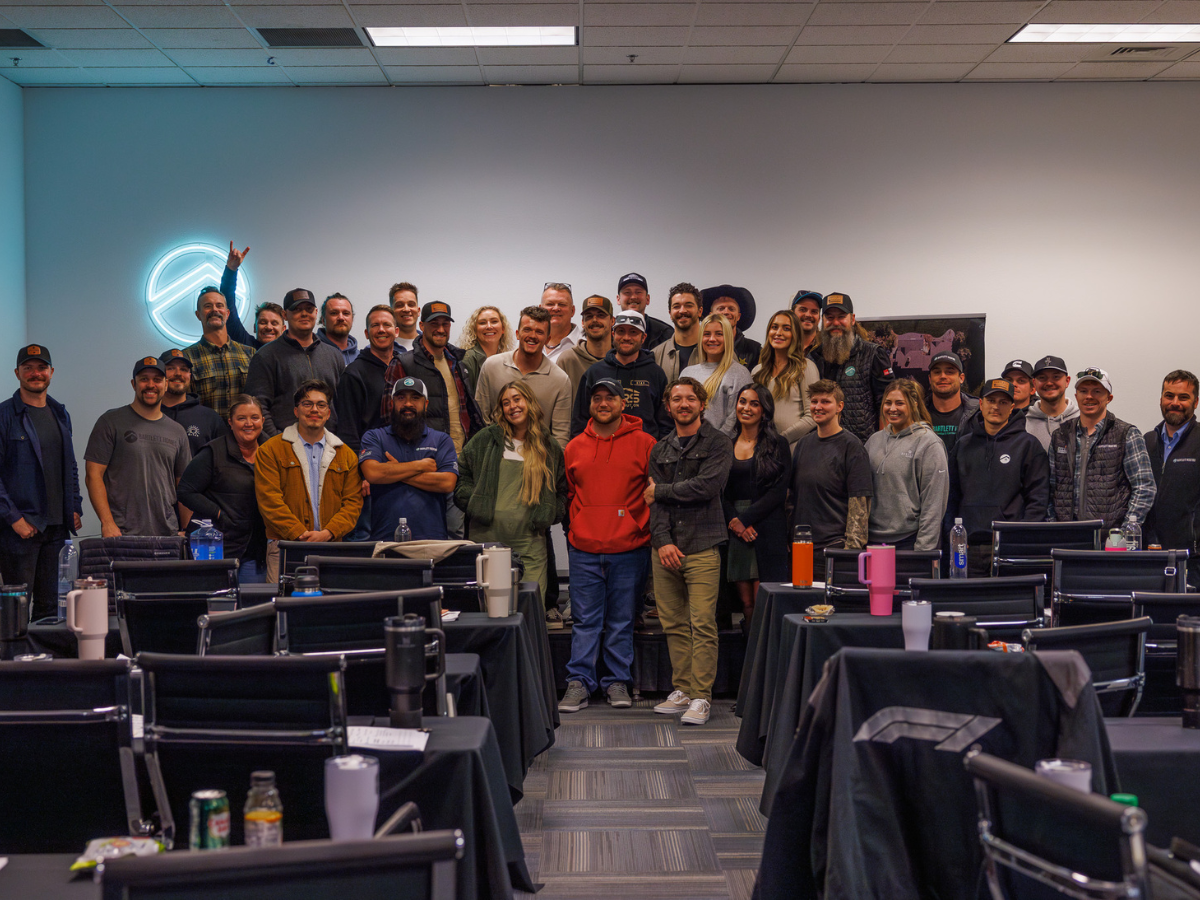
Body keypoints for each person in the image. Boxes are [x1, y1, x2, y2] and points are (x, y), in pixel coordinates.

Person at [558, 378, 655, 713]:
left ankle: (616, 681)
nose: (603, 403)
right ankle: (578, 683)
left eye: (609, 398)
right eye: (596, 398)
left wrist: (637, 524)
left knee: (621, 620)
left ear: (621, 403)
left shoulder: (645, 443)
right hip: (584, 549)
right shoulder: (574, 447)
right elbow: (570, 494)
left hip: (629, 547)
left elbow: (653, 492)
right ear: (589, 405)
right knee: (585, 621)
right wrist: (579, 528)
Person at [645, 377, 733, 727]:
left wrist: (662, 491)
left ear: (702, 403)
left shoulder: (718, 442)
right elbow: (654, 505)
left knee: (702, 624)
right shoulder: (660, 448)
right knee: (674, 624)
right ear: (668, 407)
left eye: (690, 399)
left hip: (702, 546)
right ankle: (681, 689)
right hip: (666, 548)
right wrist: (663, 541)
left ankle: (701, 697)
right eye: (677, 399)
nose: (683, 404)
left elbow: (707, 487)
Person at [456, 380, 565, 598]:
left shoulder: (548, 446)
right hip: (487, 541)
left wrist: (551, 512)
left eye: (517, 399)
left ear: (529, 401)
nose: (512, 406)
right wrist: (474, 503)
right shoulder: (486, 440)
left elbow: (561, 490)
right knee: (488, 610)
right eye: (506, 403)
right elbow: (462, 474)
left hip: (529, 544)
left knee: (530, 608)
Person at [0, 344, 82, 620]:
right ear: (17, 373)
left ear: (51, 372)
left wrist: (75, 506)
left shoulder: (60, 413)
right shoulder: (4, 416)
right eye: (28, 368)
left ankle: (44, 663)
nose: (36, 373)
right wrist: (13, 518)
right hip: (20, 530)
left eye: (41, 368)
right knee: (16, 608)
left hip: (58, 529)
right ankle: (13, 663)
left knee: (52, 610)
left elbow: (70, 466)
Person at [254, 380, 362, 583]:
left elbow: (353, 504)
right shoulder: (270, 450)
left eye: (321, 405)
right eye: (307, 404)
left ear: (328, 413)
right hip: (284, 548)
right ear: (296, 411)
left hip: (331, 547)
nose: (315, 409)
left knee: (330, 609)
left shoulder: (346, 455)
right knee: (283, 609)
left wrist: (328, 533)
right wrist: (300, 535)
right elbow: (269, 500)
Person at [945, 378, 1049, 576]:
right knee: (968, 604)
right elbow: (951, 497)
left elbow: (1038, 500)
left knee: (1008, 605)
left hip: (1010, 548)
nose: (996, 407)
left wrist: (1020, 540)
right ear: (981, 404)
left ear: (1011, 408)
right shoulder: (963, 445)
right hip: (966, 548)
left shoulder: (1028, 446)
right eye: (991, 401)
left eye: (1003, 402)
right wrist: (953, 538)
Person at [84, 357, 191, 537]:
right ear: (134, 384)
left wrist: (188, 531)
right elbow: (93, 475)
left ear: (166, 385)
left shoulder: (177, 431)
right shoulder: (110, 421)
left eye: (157, 380)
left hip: (167, 534)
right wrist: (107, 523)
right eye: (144, 379)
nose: (151, 385)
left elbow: (185, 486)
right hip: (122, 533)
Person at [1049, 367, 1157, 532]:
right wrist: (1052, 526)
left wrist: (1126, 532)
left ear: (1109, 398)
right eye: (1083, 391)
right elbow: (1049, 488)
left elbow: (1144, 487)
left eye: (1097, 391)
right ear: (1076, 396)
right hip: (1066, 537)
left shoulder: (1127, 434)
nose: (1089, 396)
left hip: (1110, 540)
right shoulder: (1060, 436)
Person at [177, 395, 268, 583]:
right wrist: (218, 513)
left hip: (255, 551)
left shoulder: (272, 452)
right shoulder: (213, 452)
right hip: (215, 546)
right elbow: (185, 491)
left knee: (252, 609)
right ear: (230, 422)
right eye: (241, 418)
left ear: (263, 421)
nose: (248, 423)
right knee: (218, 607)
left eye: (254, 417)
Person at [723, 384, 791, 623]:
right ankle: (748, 658)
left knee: (764, 601)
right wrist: (734, 522)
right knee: (746, 604)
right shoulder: (725, 445)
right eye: (743, 401)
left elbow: (778, 491)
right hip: (735, 529)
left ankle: (766, 659)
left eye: (754, 403)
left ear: (764, 410)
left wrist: (745, 520)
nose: (747, 408)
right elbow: (720, 491)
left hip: (767, 525)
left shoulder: (777, 444)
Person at [360, 376, 458, 541]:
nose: (407, 404)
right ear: (392, 404)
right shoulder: (374, 437)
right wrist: (420, 466)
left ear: (426, 405)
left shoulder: (441, 440)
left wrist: (394, 471)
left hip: (432, 540)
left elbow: (447, 483)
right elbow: (373, 473)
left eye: (415, 398)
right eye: (401, 398)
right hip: (384, 539)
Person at [789, 379, 873, 569]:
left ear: (839, 406)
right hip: (802, 546)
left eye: (825, 401)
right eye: (814, 401)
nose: (818, 407)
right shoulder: (802, 444)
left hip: (835, 549)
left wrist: (850, 551)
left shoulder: (852, 447)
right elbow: (792, 497)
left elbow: (860, 504)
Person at [244, 289, 345, 437]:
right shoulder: (266, 356)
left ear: (316, 312)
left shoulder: (334, 355)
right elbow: (257, 407)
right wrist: (278, 441)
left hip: (329, 446)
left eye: (309, 309)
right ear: (285, 315)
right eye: (297, 309)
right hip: (285, 448)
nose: (304, 314)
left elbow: (344, 405)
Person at [865, 378, 948, 551]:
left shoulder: (929, 443)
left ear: (914, 404)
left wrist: (923, 550)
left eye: (899, 403)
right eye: (888, 403)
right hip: (872, 541)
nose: (892, 408)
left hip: (908, 542)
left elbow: (934, 503)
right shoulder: (874, 441)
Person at [474, 306, 572, 448]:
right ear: (517, 334)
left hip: (537, 460)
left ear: (547, 339)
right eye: (527, 330)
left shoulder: (560, 380)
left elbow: (560, 437)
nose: (532, 336)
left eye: (539, 332)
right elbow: (480, 419)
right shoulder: (491, 366)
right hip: (495, 455)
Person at [570, 310, 672, 440]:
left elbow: (666, 424)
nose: (626, 337)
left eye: (633, 332)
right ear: (613, 334)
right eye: (621, 331)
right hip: (602, 449)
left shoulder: (656, 373)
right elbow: (580, 421)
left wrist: (658, 454)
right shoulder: (594, 372)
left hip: (645, 453)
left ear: (643, 338)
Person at [1145, 370, 1200, 584]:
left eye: (1183, 397)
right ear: (1161, 399)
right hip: (1151, 555)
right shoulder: (1147, 441)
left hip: (1193, 560)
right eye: (1169, 396)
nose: (1175, 402)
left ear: (1195, 402)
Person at [817, 292, 893, 444]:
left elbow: (887, 403)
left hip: (864, 447)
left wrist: (883, 446)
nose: (835, 323)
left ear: (852, 319)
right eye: (830, 317)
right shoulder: (814, 357)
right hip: (824, 447)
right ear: (822, 321)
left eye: (841, 317)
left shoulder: (873, 354)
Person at [183, 281, 257, 419]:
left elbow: (258, 400)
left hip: (245, 435)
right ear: (198, 314)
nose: (214, 310)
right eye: (207, 306)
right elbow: (186, 407)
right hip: (208, 438)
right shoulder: (187, 358)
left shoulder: (250, 354)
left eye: (219, 305)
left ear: (227, 313)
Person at [334, 305, 401, 455]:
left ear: (396, 331)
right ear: (366, 333)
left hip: (406, 457)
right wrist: (360, 471)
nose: (381, 330)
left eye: (387, 325)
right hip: (371, 460)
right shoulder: (353, 374)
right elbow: (348, 431)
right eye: (375, 325)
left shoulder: (404, 367)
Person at [751, 310, 817, 449]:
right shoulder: (757, 371)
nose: (778, 333)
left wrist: (781, 440)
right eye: (774, 327)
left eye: (786, 329)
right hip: (761, 448)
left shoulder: (806, 368)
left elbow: (812, 416)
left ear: (796, 335)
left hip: (792, 448)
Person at [680, 314, 753, 435]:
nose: (712, 339)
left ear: (728, 338)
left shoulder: (739, 374)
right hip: (688, 445)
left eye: (719, 334)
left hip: (722, 448)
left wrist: (714, 445)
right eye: (707, 334)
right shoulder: (687, 373)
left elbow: (734, 419)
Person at [159, 349, 225, 455]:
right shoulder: (149, 414)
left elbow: (222, 462)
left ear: (190, 375)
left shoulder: (210, 418)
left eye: (184, 369)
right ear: (160, 374)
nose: (178, 373)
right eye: (170, 368)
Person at [556, 295, 612, 396]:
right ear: (582, 322)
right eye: (589, 316)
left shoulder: (622, 359)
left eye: (601, 315)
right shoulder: (567, 360)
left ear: (612, 321)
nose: (595, 320)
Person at [925, 351, 979, 455]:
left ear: (961, 378)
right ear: (930, 379)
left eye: (950, 372)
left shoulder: (979, 413)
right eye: (937, 372)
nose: (943, 376)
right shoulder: (916, 414)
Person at [652, 282, 703, 384]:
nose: (682, 311)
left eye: (688, 305)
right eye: (676, 306)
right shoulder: (655, 356)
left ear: (700, 311)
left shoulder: (717, 352)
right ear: (670, 314)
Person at [1026, 355, 1078, 451]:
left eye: (1056, 377)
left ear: (1067, 381)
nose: (1049, 383)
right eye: (1042, 378)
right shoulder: (1023, 423)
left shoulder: (1082, 420)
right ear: (1034, 383)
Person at [701, 284, 761, 368]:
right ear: (711, 315)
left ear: (738, 316)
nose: (726, 312)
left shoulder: (755, 350)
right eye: (721, 308)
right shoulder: (700, 347)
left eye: (731, 309)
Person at [458, 305, 512, 394]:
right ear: (474, 330)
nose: (489, 326)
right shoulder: (468, 359)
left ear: (503, 329)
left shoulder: (505, 359)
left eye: (494, 321)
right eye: (482, 323)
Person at [616, 272, 672, 349]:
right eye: (627, 292)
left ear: (647, 299)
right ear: (618, 299)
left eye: (638, 292)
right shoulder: (609, 332)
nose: (633, 297)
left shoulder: (664, 333)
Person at [542, 282, 579, 363]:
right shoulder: (525, 343)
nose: (556, 308)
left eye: (562, 304)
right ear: (540, 310)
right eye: (550, 304)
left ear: (572, 311)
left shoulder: (584, 344)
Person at [316, 293, 358, 365]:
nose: (341, 318)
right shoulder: (312, 352)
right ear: (323, 320)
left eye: (346, 313)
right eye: (334, 313)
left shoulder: (359, 357)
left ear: (352, 319)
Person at [791, 290, 823, 365]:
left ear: (819, 318)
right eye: (803, 310)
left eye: (814, 311)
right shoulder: (781, 345)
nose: (808, 315)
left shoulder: (828, 348)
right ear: (792, 314)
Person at [390, 282, 421, 352]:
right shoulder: (378, 349)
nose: (406, 309)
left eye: (411, 304)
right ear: (391, 312)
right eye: (399, 305)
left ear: (418, 311)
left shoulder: (431, 344)